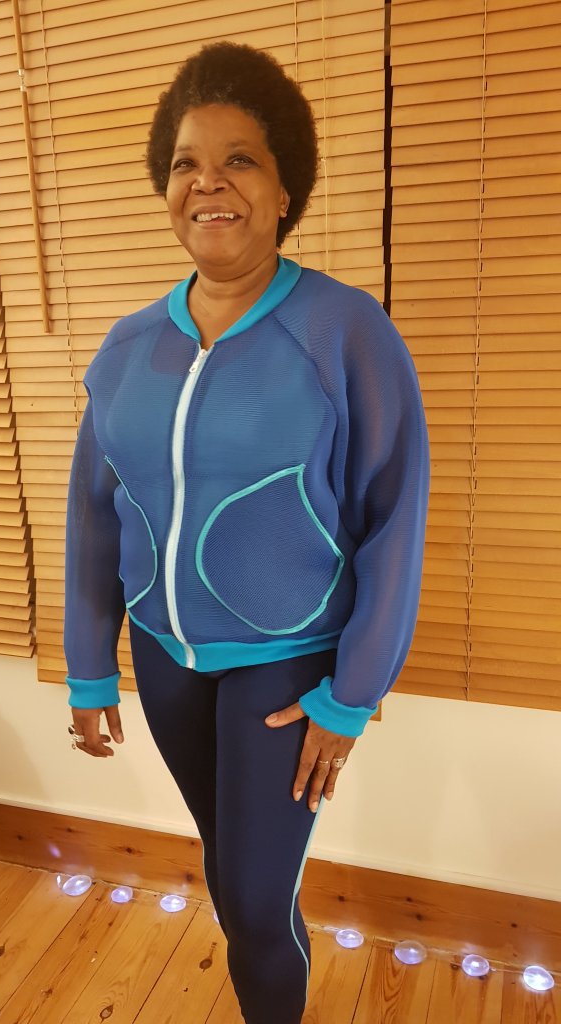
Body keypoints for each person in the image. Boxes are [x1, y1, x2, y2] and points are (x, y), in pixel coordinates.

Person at [63, 41, 430, 1024]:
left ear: (282, 190)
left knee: (258, 904)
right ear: (166, 186)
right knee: (233, 881)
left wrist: (353, 695)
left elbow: (395, 518)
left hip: (289, 665)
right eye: (186, 162)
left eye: (240, 160)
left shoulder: (344, 331)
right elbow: (93, 511)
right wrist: (90, 668)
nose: (209, 181)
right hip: (165, 659)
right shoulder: (127, 347)